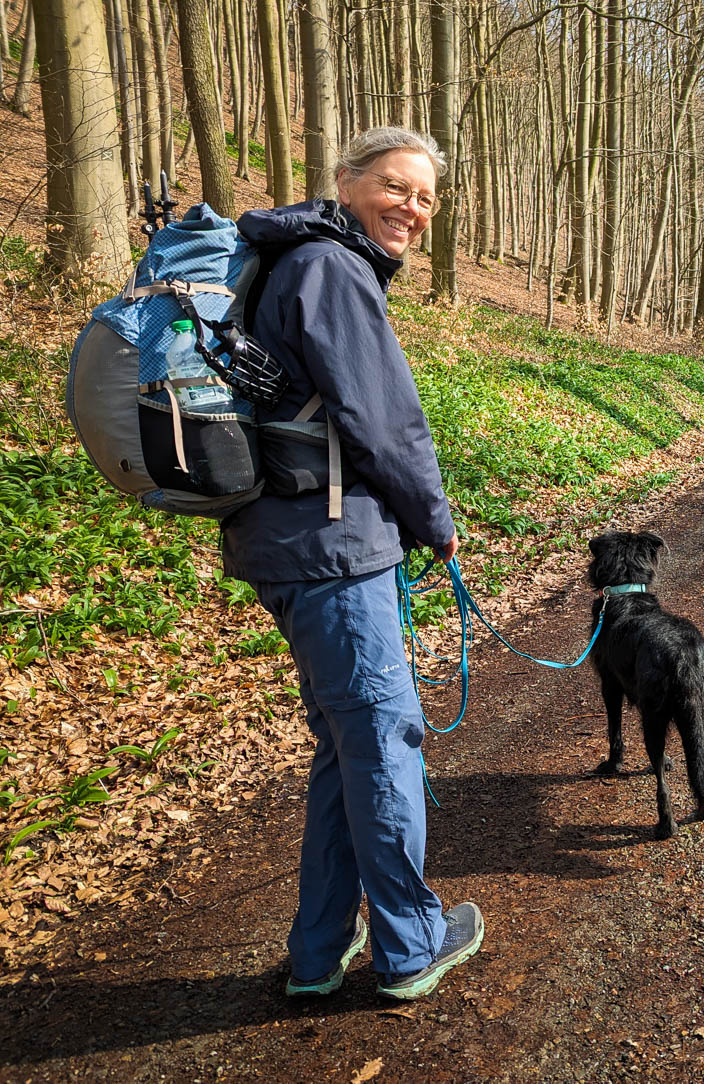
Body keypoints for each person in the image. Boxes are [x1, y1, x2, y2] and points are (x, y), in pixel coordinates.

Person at [223, 127, 481, 1001]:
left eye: (427, 198)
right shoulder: (331, 269)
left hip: (291, 542)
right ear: (345, 180)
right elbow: (387, 421)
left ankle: (317, 950)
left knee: (345, 747)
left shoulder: (295, 260)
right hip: (331, 552)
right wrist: (436, 523)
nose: (412, 207)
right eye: (396, 187)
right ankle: (410, 945)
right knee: (381, 742)